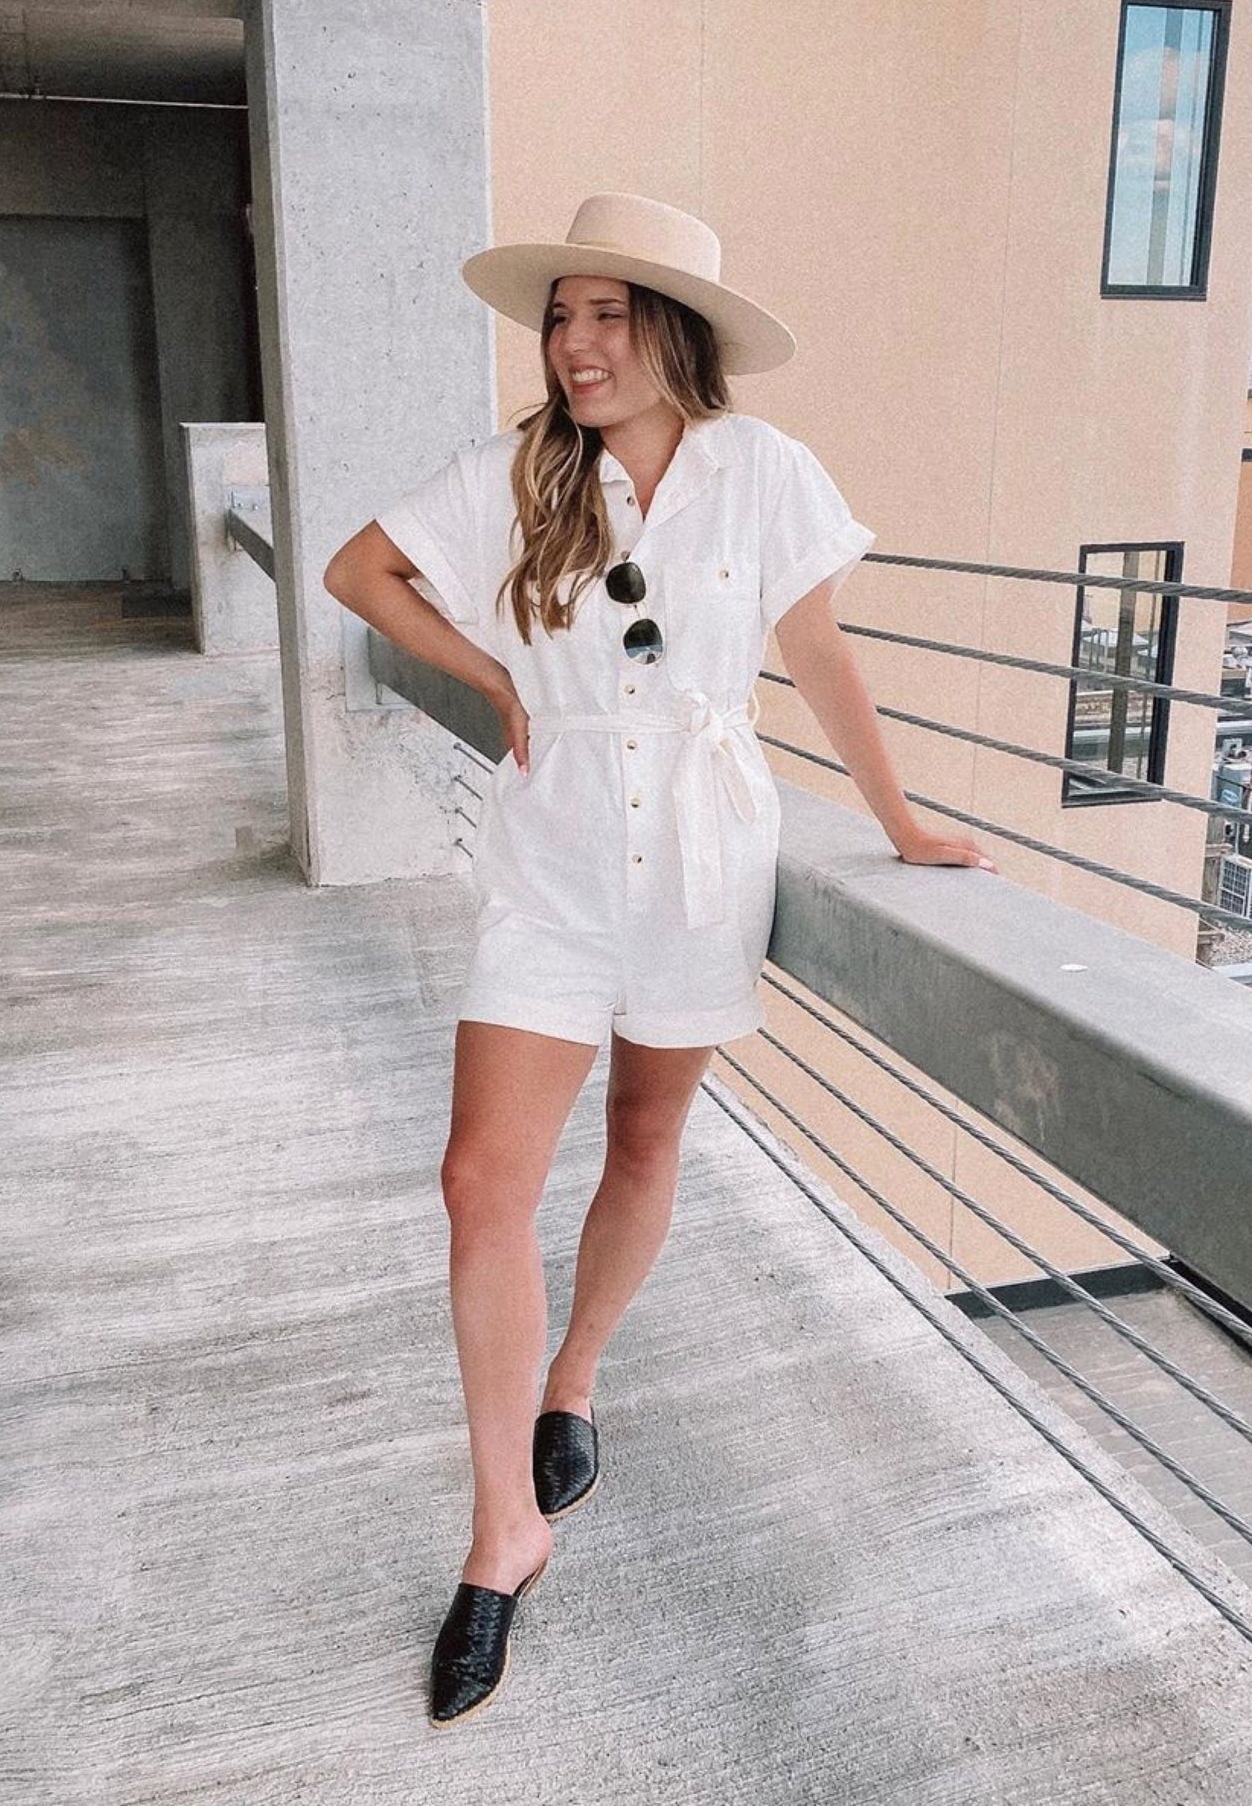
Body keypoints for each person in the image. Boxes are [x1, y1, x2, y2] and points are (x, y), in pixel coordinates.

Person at [322, 193, 997, 1727]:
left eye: (606, 317)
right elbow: (359, 575)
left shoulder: (765, 472)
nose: (573, 345)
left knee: (643, 1139)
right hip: (551, 863)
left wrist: (900, 822)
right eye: (560, 318)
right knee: (479, 1182)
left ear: (674, 333)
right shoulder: (517, 474)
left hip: (701, 856)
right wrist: (496, 677)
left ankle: (574, 1379)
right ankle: (503, 1531)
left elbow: (817, 654)